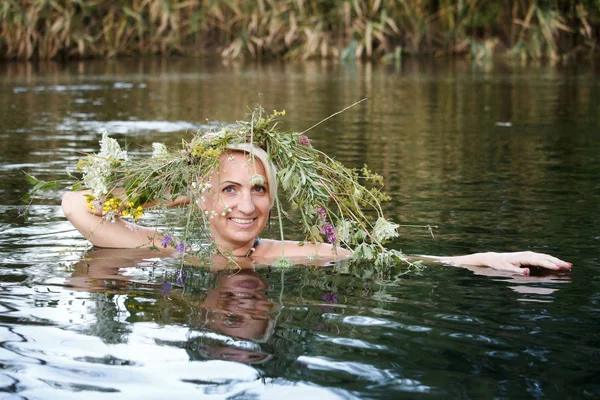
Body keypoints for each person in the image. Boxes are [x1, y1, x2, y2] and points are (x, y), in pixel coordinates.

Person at [62, 143, 573, 276]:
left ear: (273, 200)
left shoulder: (297, 253)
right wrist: (175, 186)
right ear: (204, 198)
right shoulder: (169, 249)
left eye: (259, 190)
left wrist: (490, 257)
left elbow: (398, 262)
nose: (246, 205)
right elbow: (75, 204)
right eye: (230, 189)